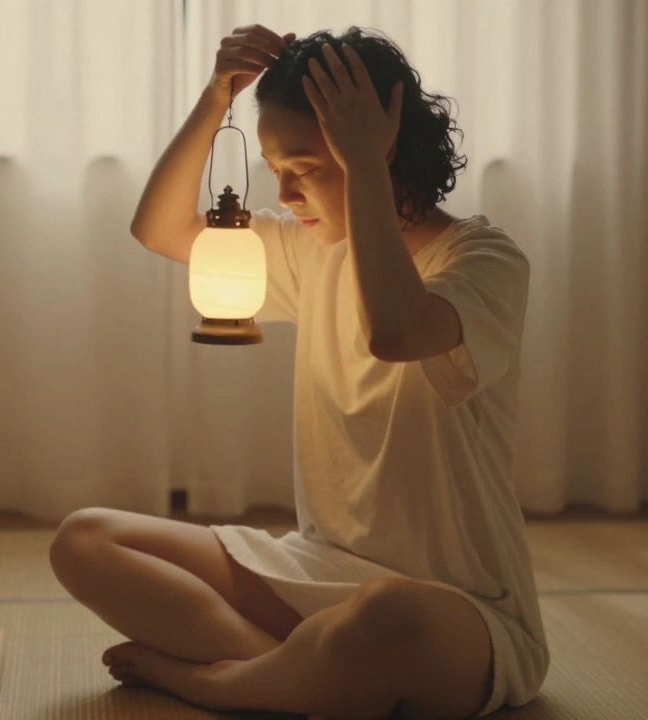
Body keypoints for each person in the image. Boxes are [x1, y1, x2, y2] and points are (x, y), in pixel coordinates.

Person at [49, 24, 548, 720]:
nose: (282, 193)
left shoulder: (485, 261)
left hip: (458, 615)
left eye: (305, 167)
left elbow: (397, 331)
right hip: (317, 573)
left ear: (381, 152)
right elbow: (161, 230)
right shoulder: (313, 249)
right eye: (275, 166)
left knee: (384, 617)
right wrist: (215, 98)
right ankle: (296, 674)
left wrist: (366, 166)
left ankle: (217, 682)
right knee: (84, 540)